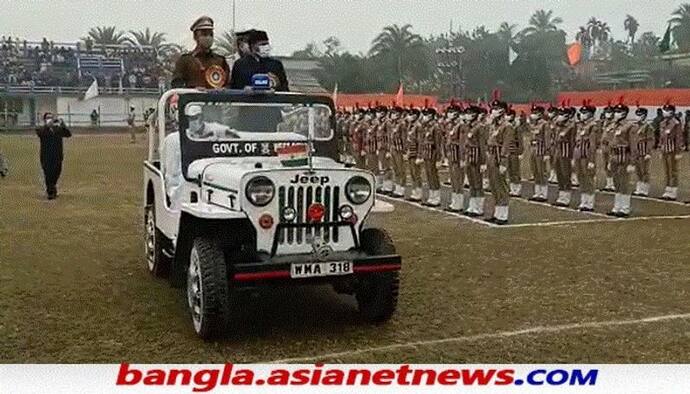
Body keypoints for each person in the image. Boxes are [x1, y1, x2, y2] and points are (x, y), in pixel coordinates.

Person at [171, 16, 230, 89]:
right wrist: (193, 89)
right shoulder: (185, 60)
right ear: (195, 37)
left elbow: (228, 84)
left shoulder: (220, 60)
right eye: (204, 34)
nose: (208, 38)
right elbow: (176, 85)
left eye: (211, 35)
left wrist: (224, 89)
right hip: (192, 99)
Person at [484, 100, 513, 224]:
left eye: (496, 109)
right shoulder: (493, 125)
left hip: (498, 157)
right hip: (491, 156)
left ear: (502, 111)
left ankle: (503, 214)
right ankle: (497, 212)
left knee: (501, 186)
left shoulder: (507, 126)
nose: (493, 111)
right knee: (494, 186)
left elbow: (506, 145)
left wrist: (503, 163)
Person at [606, 104, 634, 217]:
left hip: (624, 156)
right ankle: (617, 206)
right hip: (614, 157)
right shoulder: (613, 125)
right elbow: (611, 144)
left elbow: (633, 145)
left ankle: (625, 208)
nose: (615, 113)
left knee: (624, 182)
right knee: (617, 182)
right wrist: (609, 160)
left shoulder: (629, 126)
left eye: (618, 111)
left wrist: (632, 162)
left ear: (624, 113)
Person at [36, 112, 71, 199]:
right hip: (46, 156)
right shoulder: (42, 129)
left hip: (57, 156)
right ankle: (51, 192)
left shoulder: (58, 129)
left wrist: (63, 125)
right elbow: (40, 133)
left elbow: (68, 134)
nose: (50, 119)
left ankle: (52, 188)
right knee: (48, 174)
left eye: (51, 117)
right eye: (48, 118)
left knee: (56, 173)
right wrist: (47, 126)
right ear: (44, 120)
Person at [573, 103, 599, 211]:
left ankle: (590, 202)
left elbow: (592, 144)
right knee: (581, 177)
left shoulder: (593, 126)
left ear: (590, 114)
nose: (582, 115)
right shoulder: (581, 125)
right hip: (579, 155)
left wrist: (591, 160)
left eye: (585, 113)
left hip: (587, 155)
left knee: (588, 178)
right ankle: (583, 200)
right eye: (582, 113)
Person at [464, 106, 487, 217]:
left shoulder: (479, 127)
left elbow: (482, 145)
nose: (467, 115)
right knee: (472, 183)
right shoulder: (469, 126)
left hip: (477, 157)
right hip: (469, 157)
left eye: (470, 113)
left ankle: (479, 207)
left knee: (478, 183)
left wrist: (483, 162)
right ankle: (472, 206)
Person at [551, 107, 576, 207]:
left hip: (566, 153)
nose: (559, 116)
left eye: (562, 114)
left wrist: (573, 156)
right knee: (559, 174)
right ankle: (561, 195)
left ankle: (566, 197)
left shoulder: (571, 126)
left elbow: (573, 141)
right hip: (558, 152)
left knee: (566, 175)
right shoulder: (558, 126)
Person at [658, 103, 684, 200]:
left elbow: (678, 138)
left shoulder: (676, 123)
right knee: (666, 171)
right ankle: (667, 189)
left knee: (673, 171)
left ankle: (673, 191)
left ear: (671, 112)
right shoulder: (662, 123)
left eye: (666, 110)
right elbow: (661, 137)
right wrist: (660, 148)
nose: (664, 112)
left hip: (672, 150)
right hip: (665, 150)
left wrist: (678, 152)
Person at [419, 108, 442, 207]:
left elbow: (438, 144)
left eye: (427, 114)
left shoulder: (435, 127)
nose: (424, 117)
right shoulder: (426, 127)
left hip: (433, 154)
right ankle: (431, 196)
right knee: (428, 175)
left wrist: (438, 158)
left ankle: (436, 197)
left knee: (433, 176)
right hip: (426, 154)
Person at [527, 105, 550, 202]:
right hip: (533, 149)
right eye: (533, 112)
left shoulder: (544, 124)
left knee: (541, 171)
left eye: (535, 112)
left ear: (540, 113)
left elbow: (547, 138)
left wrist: (547, 152)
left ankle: (543, 194)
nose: (533, 114)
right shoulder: (533, 124)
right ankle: (537, 192)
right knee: (535, 171)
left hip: (541, 150)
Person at [631, 107, 654, 197]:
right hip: (636, 152)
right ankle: (639, 187)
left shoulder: (648, 126)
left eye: (640, 115)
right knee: (638, 171)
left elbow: (650, 140)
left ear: (644, 116)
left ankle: (645, 189)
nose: (638, 117)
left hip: (644, 151)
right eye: (637, 115)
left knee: (645, 171)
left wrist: (648, 152)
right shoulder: (635, 126)